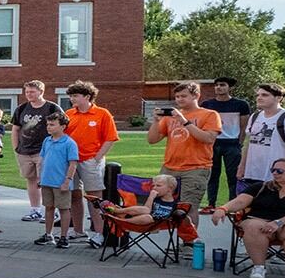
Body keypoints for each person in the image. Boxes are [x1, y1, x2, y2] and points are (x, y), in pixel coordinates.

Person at [210, 159, 285, 278]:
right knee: (253, 225)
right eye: (273, 170)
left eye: (280, 171)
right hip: (260, 221)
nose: (275, 173)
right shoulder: (261, 187)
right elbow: (240, 201)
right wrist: (223, 208)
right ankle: (258, 267)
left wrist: (278, 222)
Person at [147, 81, 221, 228]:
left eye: (184, 96)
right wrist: (156, 121)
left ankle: (188, 242)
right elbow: (152, 140)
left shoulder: (209, 114)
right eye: (177, 96)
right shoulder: (170, 117)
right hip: (170, 167)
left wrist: (185, 121)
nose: (180, 99)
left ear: (196, 96)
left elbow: (209, 138)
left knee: (188, 207)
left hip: (196, 167)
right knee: (161, 201)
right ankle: (167, 236)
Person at [62, 81, 118, 241]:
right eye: (71, 96)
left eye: (75, 96)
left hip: (91, 160)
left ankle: (99, 233)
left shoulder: (102, 114)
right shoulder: (69, 114)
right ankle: (78, 230)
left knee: (94, 197)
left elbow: (110, 138)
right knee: (74, 195)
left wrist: (98, 157)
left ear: (87, 96)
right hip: (71, 161)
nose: (72, 99)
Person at [11, 81, 59, 224]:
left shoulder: (51, 108)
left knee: (45, 181)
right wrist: (16, 148)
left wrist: (54, 148)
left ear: (41, 92)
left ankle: (51, 211)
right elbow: (15, 129)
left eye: (32, 92)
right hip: (25, 151)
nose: (29, 94)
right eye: (27, 92)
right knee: (31, 180)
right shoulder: (22, 108)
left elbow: (61, 128)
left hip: (44, 151)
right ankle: (35, 210)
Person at [239, 83, 285, 192]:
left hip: (273, 176)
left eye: (265, 95)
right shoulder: (255, 116)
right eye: (258, 95)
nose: (259, 98)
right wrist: (242, 166)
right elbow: (248, 144)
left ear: (278, 98)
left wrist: (281, 172)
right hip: (251, 174)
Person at [32, 112, 82, 248]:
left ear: (63, 126)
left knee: (64, 209)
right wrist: (39, 177)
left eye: (52, 125)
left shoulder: (69, 143)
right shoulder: (47, 141)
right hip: (46, 181)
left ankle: (64, 237)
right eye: (48, 124)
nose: (49, 127)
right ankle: (48, 234)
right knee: (49, 208)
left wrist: (67, 181)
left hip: (60, 182)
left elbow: (73, 163)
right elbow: (42, 160)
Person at [203, 76, 252, 205]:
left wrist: (239, 143)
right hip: (213, 144)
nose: (219, 87)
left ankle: (232, 204)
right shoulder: (207, 105)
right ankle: (211, 203)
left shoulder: (241, 104)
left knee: (233, 176)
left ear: (229, 87)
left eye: (222, 85)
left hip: (232, 144)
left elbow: (244, 126)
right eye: (217, 85)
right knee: (213, 175)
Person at [101, 174, 179, 227]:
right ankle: (119, 212)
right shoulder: (155, 198)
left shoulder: (176, 203)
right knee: (144, 211)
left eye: (158, 186)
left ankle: (120, 219)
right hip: (141, 219)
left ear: (170, 188)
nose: (154, 188)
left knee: (148, 217)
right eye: (153, 185)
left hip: (157, 223)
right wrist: (151, 197)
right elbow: (146, 209)